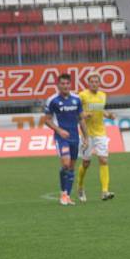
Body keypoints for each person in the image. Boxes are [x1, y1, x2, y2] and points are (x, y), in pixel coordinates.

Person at [44, 73, 88, 206]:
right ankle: (64, 194)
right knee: (65, 163)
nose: (65, 86)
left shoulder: (77, 99)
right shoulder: (52, 100)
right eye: (62, 84)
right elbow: (47, 120)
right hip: (61, 138)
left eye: (67, 84)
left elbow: (81, 119)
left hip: (75, 137)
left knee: (71, 167)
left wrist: (86, 137)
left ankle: (66, 195)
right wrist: (59, 130)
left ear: (70, 84)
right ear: (58, 85)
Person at [77, 73, 116, 202]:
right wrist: (84, 115)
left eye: (96, 81)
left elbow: (100, 110)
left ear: (99, 83)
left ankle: (105, 191)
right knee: (86, 163)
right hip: (86, 133)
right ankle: (80, 187)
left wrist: (108, 115)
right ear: (88, 83)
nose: (94, 83)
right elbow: (77, 112)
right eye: (92, 81)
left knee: (103, 160)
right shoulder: (82, 95)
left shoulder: (102, 95)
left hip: (100, 133)